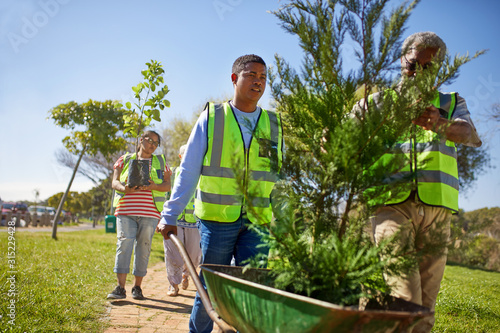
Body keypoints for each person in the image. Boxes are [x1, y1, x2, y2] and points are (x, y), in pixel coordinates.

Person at [354, 32, 482, 333]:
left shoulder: (451, 102)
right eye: (413, 65)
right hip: (390, 208)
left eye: (428, 68)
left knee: (425, 305)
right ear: (402, 61)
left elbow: (470, 135)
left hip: (438, 211)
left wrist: (442, 123)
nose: (418, 73)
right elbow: (343, 137)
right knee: (404, 297)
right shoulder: (377, 103)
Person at [157, 54, 283, 333]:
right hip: (217, 221)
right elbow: (188, 170)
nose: (258, 82)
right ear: (234, 79)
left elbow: (279, 179)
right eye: (251, 75)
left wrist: (285, 223)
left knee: (251, 290)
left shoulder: (273, 125)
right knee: (210, 288)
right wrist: (170, 214)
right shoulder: (213, 117)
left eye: (263, 77)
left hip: (258, 222)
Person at [107, 130, 171, 300]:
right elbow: (114, 181)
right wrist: (124, 188)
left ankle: (137, 287)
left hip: (150, 213)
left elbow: (167, 186)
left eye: (156, 143)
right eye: (150, 140)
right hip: (126, 210)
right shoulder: (126, 159)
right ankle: (120, 288)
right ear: (142, 139)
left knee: (143, 248)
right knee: (124, 245)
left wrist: (154, 187)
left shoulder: (161, 161)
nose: (152, 145)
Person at [160, 144, 201, 297]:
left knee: (193, 255)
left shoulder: (201, 173)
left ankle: (186, 274)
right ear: (180, 156)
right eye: (185, 154)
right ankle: (173, 284)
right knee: (173, 254)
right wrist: (163, 217)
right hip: (175, 220)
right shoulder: (174, 173)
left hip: (194, 220)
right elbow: (167, 195)